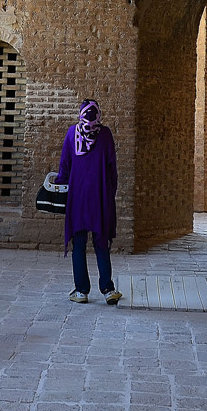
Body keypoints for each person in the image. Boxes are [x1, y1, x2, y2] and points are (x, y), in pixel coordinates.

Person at [57, 99, 122, 305]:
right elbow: (112, 168)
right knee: (101, 243)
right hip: (100, 196)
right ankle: (108, 289)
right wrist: (110, 192)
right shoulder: (105, 135)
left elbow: (64, 166)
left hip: (78, 197)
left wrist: (59, 184)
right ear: (98, 114)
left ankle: (81, 291)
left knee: (79, 244)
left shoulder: (71, 134)